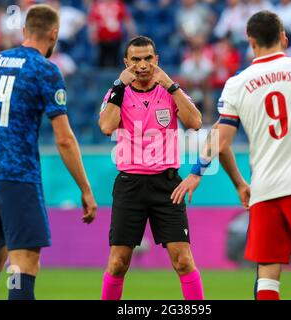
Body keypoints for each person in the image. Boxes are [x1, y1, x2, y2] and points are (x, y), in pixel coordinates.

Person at [173, 10, 291, 300]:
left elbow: (222, 139)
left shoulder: (237, 83)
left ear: (250, 41)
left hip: (265, 191)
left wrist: (202, 173)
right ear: (283, 37)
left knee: (267, 272)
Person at [0, 4, 97, 300]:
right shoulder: (45, 70)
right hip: (18, 177)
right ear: (54, 34)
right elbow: (64, 139)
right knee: (23, 265)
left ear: (24, 31)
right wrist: (85, 189)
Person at [98, 36, 203, 300]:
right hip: (130, 184)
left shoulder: (170, 91)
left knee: (183, 260)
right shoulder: (117, 92)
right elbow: (106, 127)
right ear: (126, 63)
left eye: (148, 58)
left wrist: (172, 85)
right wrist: (118, 85)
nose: (142, 65)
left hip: (167, 185)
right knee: (118, 262)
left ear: (156, 60)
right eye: (136, 60)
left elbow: (196, 122)